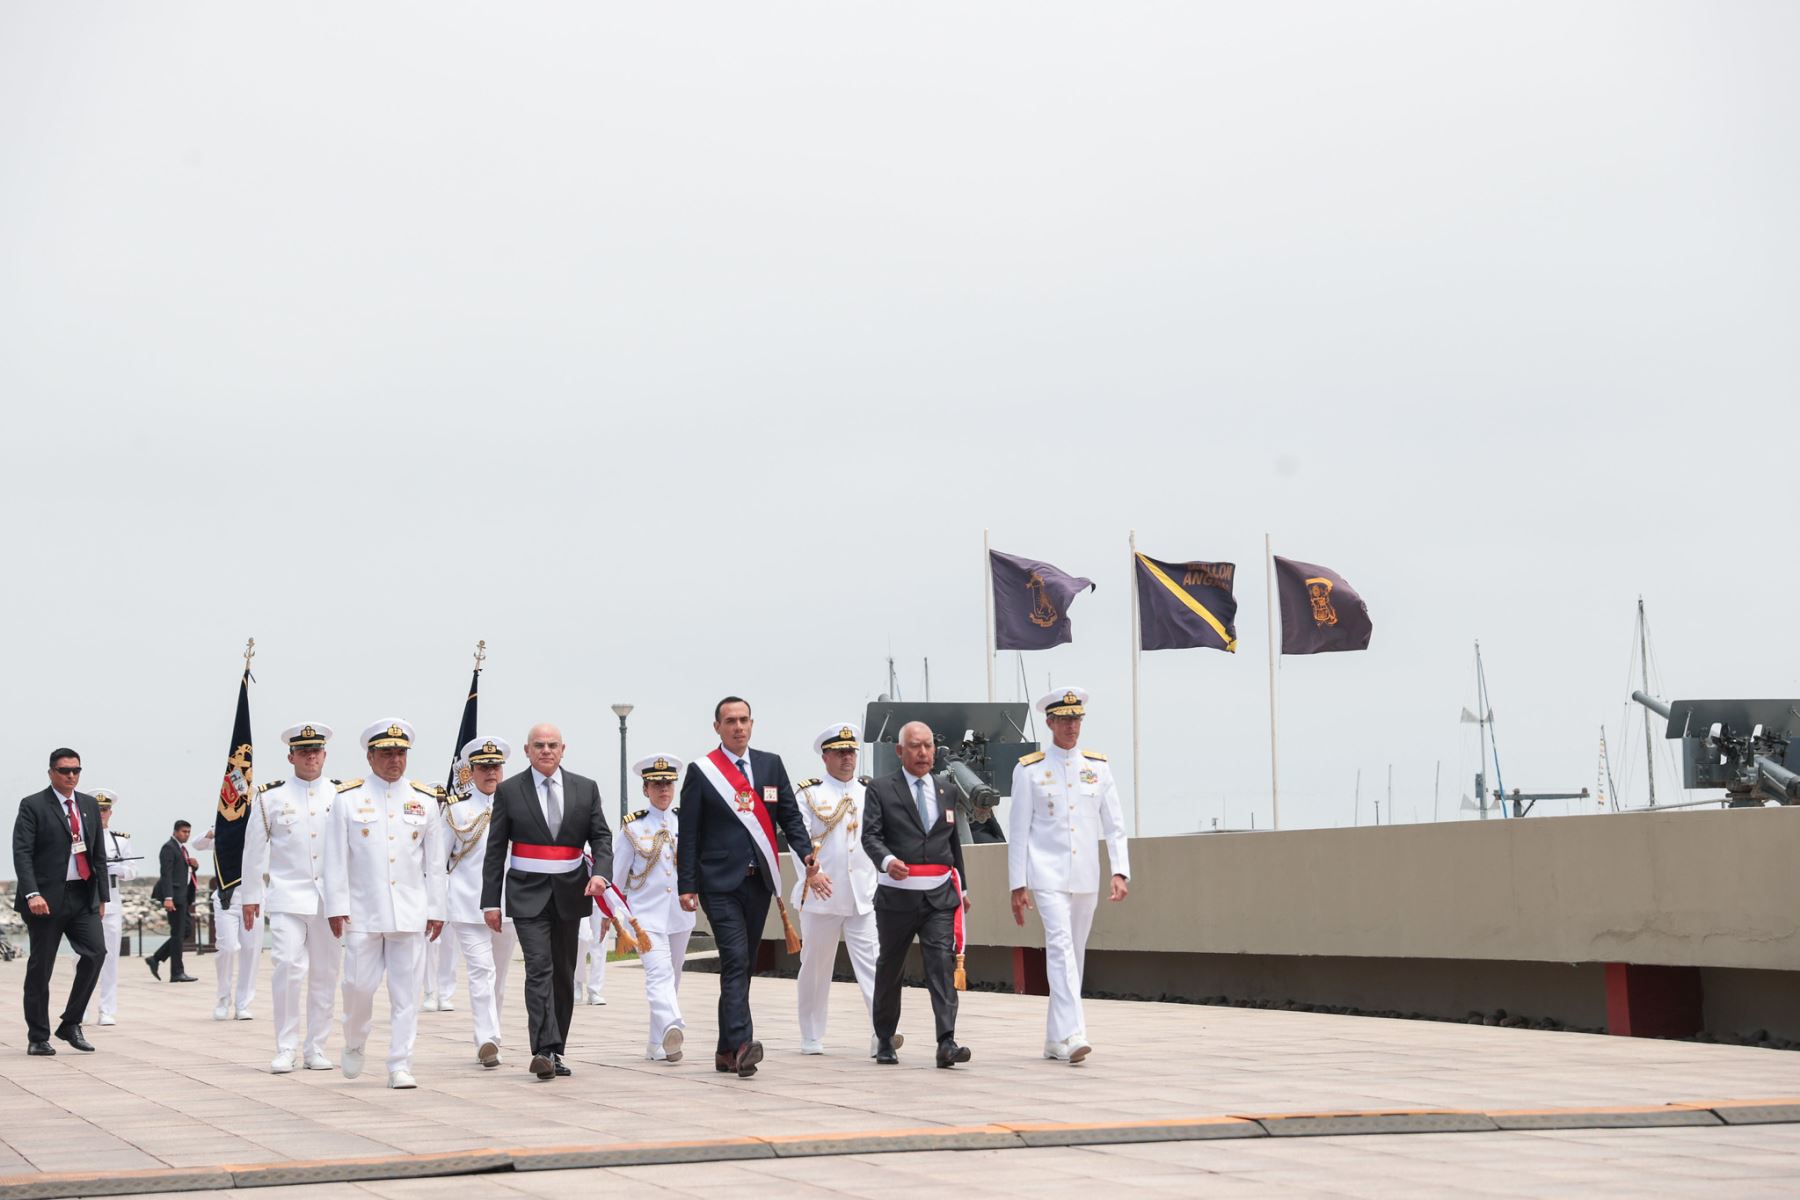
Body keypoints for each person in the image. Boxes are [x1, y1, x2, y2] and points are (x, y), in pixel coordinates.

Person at [677, 696, 815, 1078]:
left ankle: (724, 1050)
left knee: (743, 964)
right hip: (718, 883)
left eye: (744, 720)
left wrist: (805, 854)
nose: (738, 727)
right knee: (736, 958)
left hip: (759, 882)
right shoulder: (703, 771)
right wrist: (686, 884)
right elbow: (689, 833)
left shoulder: (770, 765)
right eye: (730, 721)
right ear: (717, 727)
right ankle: (743, 1045)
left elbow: (789, 815)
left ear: (752, 724)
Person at [481, 722, 613, 1082]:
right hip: (526, 893)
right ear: (527, 751)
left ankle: (557, 1050)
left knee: (563, 974)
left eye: (552, 744)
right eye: (538, 745)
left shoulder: (585, 789)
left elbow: (601, 837)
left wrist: (601, 873)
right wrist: (490, 902)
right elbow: (495, 851)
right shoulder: (509, 791)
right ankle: (542, 1049)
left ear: (563, 749)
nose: (545, 750)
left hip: (572, 892)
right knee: (538, 968)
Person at [1009, 687, 1131, 1064]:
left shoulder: (1098, 767)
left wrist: (1120, 870)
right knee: (1061, 949)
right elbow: (1018, 831)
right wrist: (1017, 884)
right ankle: (1075, 1033)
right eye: (1063, 720)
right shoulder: (1029, 769)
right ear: (1049, 723)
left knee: (1073, 954)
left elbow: (1115, 824)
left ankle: (1053, 1038)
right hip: (1046, 873)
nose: (1071, 726)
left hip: (1085, 876)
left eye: (1076, 719)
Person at [329, 719, 447, 1089]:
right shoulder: (347, 799)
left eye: (400, 753)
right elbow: (334, 858)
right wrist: (336, 905)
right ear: (370, 756)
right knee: (357, 988)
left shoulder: (425, 801)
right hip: (363, 911)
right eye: (386, 753)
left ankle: (400, 1063)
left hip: (410, 913)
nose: (395, 760)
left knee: (406, 994)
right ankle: (355, 1039)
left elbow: (435, 863)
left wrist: (437, 909)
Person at [237, 722, 349, 1074]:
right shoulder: (270, 797)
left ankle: (316, 1046)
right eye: (303, 751)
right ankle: (285, 1047)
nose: (310, 756)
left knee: (326, 973)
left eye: (316, 750)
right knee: (287, 966)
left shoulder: (342, 795)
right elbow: (254, 850)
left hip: (330, 900)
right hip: (287, 895)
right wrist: (250, 896)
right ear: (291, 756)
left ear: (325, 754)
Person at [861, 720, 971, 1069]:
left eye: (928, 746)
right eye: (915, 746)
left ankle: (946, 1042)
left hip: (939, 897)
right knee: (891, 968)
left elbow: (953, 844)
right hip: (897, 897)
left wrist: (963, 888)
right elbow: (870, 836)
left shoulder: (946, 790)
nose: (923, 753)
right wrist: (887, 860)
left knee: (940, 965)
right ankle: (884, 1039)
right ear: (900, 751)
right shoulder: (880, 789)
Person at [792, 723, 895, 1059]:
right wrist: (812, 875)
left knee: (875, 966)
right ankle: (811, 1033)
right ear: (825, 757)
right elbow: (799, 841)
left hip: (862, 894)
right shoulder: (809, 794)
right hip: (822, 894)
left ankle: (882, 1033)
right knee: (817, 967)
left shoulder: (871, 793)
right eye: (840, 752)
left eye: (851, 751)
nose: (847, 758)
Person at [12, 747, 110, 1055]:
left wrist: (102, 895)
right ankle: (38, 1036)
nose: (71, 775)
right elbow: (22, 853)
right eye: (65, 770)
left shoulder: (89, 806)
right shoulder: (33, 805)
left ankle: (70, 1023)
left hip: (83, 896)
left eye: (76, 770)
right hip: (45, 900)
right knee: (42, 968)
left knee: (96, 953)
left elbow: (98, 854)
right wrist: (32, 893)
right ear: (51, 772)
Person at [440, 736, 519, 1069]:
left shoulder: (517, 806)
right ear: (471, 771)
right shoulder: (456, 808)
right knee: (481, 971)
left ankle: (492, 1031)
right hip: (468, 903)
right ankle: (487, 1038)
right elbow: (439, 861)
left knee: (498, 977)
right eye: (484, 767)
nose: (491, 773)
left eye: (495, 767)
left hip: (509, 906)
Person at [613, 754, 696, 1064]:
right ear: (646, 789)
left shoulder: (685, 823)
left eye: (668, 784)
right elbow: (616, 880)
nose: (664, 790)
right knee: (659, 975)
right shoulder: (632, 828)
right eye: (657, 785)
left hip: (679, 914)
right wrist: (618, 919)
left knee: (671, 979)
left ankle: (655, 1044)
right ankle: (673, 1026)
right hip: (644, 916)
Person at [193, 822, 262, 1021]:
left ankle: (243, 1004)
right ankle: (223, 998)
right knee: (228, 948)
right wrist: (218, 828)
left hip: (254, 897)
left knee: (251, 951)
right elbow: (197, 843)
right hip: (226, 899)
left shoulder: (256, 828)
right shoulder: (224, 832)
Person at [90, 788, 134, 1027]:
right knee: (81, 958)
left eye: (105, 809)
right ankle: (82, 1006)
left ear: (111, 812)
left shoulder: (120, 840)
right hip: (85, 904)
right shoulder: (80, 838)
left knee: (110, 959)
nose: (101, 814)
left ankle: (107, 1009)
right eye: (97, 810)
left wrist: (115, 868)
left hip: (111, 903)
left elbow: (132, 871)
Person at [146, 819, 200, 983]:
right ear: (175, 831)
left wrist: (194, 866)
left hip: (183, 896)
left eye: (189, 832)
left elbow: (183, 872)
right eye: (184, 831)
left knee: (186, 931)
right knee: (178, 934)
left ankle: (156, 958)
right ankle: (177, 973)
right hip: (174, 897)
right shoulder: (169, 848)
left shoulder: (181, 849)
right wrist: (168, 898)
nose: (187, 834)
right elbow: (166, 874)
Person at [574, 904, 608, 1005]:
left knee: (600, 941)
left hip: (602, 896)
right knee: (581, 939)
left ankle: (595, 990)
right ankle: (576, 981)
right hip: (580, 895)